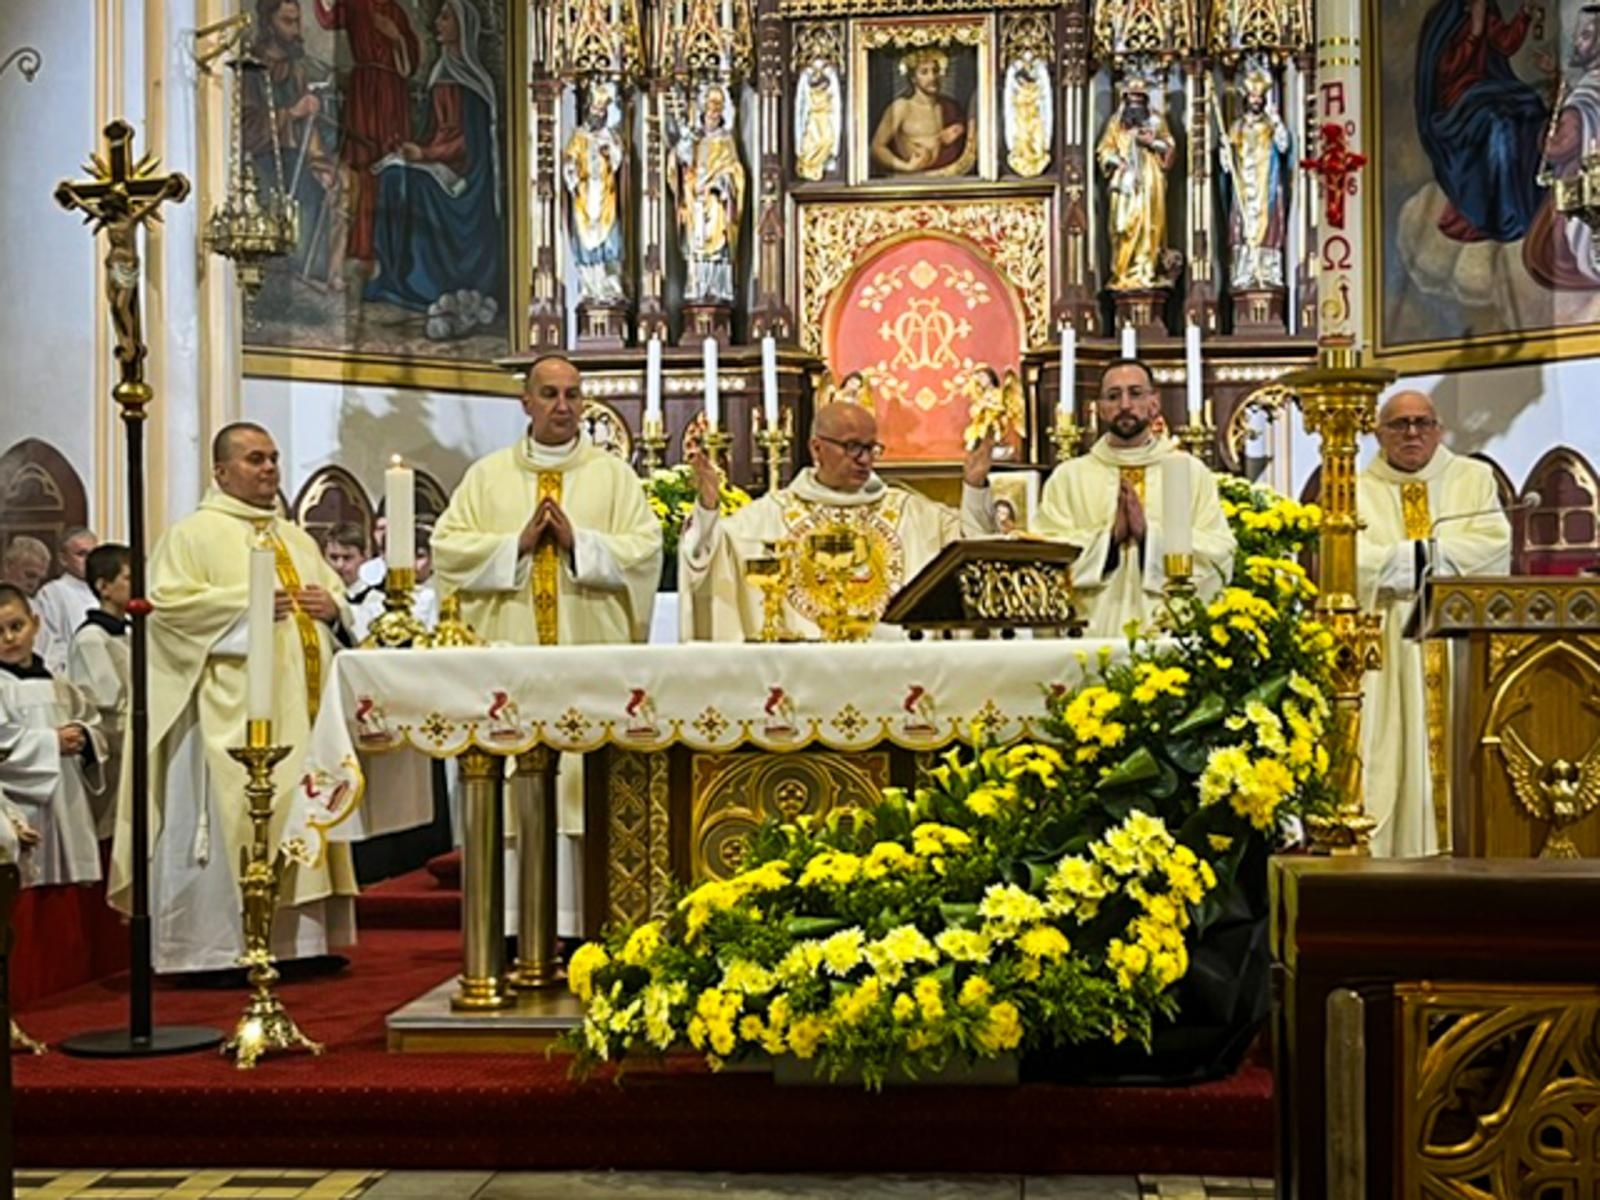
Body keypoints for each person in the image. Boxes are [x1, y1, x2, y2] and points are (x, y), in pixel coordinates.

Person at [111, 422, 357, 974]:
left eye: (273, 458)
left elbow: (335, 597)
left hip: (302, 709)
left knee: (299, 811)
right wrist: (243, 605)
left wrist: (333, 608)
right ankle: (215, 951)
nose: (269, 468)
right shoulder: (193, 534)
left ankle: (297, 946)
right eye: (254, 459)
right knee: (231, 824)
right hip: (226, 715)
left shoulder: (295, 537)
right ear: (220, 471)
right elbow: (168, 612)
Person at [432, 354, 662, 935]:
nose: (565, 407)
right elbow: (448, 551)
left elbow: (645, 552)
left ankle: (586, 925)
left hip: (590, 669)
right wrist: (516, 545)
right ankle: (513, 930)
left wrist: (579, 542)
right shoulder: (486, 477)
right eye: (551, 395)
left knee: (586, 790)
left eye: (574, 395)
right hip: (510, 668)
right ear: (526, 403)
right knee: (515, 792)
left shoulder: (614, 477)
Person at [680, 401, 997, 640]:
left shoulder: (912, 514)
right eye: (852, 447)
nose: (865, 459)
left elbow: (974, 553)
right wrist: (707, 509)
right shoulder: (769, 515)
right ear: (817, 448)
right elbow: (707, 558)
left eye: (871, 448)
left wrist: (975, 486)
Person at [1357, 389, 1512, 857]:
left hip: (1456, 642)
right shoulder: (1356, 488)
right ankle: (1392, 859)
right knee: (1390, 757)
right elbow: (1351, 563)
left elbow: (1493, 547)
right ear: (1378, 434)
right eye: (1399, 425)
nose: (1412, 434)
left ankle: (1465, 853)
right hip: (1388, 644)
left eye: (1422, 423)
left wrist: (1410, 559)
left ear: (1438, 430)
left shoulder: (1472, 478)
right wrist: (1433, 557)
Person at [1033, 359, 1235, 637]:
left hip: (1169, 632)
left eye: (1136, 393)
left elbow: (1221, 553)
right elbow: (1044, 557)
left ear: (1154, 402)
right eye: (1113, 396)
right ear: (1100, 408)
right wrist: (1109, 540)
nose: (1125, 404)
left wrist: (1150, 536)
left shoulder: (1189, 473)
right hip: (1090, 633)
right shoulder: (1069, 477)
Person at [364, 0, 504, 335]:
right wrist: (408, 148)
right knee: (390, 173)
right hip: (437, 162)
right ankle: (394, 274)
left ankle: (424, 279)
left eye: (446, 17)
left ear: (462, 28)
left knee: (410, 180)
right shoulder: (440, 74)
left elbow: (467, 144)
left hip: (462, 176)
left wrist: (424, 154)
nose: (437, 24)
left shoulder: (472, 84)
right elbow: (432, 129)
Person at [1416, 0, 1550, 244]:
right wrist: (1475, 33)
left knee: (1531, 109)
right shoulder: (1444, 19)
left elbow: (1505, 42)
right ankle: (1501, 211)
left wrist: (1525, 15)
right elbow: (1446, 69)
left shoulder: (1486, 11)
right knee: (1497, 123)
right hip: (1458, 100)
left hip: (1488, 90)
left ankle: (1528, 199)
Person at [0, 584, 104, 887]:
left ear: (35, 623)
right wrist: (51, 743)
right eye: (0, 631)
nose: (9, 638)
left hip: (68, 803)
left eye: (16, 626)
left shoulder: (59, 683)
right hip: (21, 806)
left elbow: (92, 723)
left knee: (67, 909)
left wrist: (84, 738)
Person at [245, 0, 347, 287]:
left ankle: (320, 275)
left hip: (297, 159)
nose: (295, 30)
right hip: (263, 163)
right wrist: (291, 112)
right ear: (269, 24)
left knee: (329, 187)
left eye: (297, 21)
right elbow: (247, 129)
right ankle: (288, 280)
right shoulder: (251, 68)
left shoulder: (297, 70)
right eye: (287, 22)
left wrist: (321, 165)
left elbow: (309, 131)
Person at [313, 0, 419, 264]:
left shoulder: (396, 11)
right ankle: (359, 244)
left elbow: (410, 63)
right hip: (365, 91)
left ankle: (387, 247)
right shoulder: (354, 5)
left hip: (391, 93)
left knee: (388, 161)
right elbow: (329, 19)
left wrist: (396, 38)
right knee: (361, 161)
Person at [67, 543, 130, 839]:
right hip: (116, 751)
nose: (138, 586)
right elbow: (106, 702)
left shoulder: (127, 632)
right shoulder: (92, 639)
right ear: (103, 586)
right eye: (129, 579)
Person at [1096, 75, 1177, 291]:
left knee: (1150, 224)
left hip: (1150, 180)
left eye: (1139, 98)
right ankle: (1122, 272)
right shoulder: (1116, 123)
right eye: (1131, 98)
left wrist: (1152, 143)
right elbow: (1104, 149)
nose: (1135, 102)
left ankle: (1145, 269)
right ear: (1124, 99)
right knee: (1121, 226)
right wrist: (1116, 160)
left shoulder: (1157, 121)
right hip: (1125, 182)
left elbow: (1170, 147)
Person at [672, 85, 746, 305]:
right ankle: (697, 287)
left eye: (717, 112)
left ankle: (718, 289)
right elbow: (678, 165)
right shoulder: (694, 139)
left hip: (715, 202)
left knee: (718, 247)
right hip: (695, 202)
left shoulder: (726, 141)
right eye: (709, 111)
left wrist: (720, 183)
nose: (712, 116)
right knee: (696, 248)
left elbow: (736, 172)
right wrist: (684, 144)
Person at [1222, 67, 1291, 291]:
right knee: (1241, 229)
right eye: (1252, 97)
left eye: (1259, 97)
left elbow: (1284, 146)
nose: (1255, 101)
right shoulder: (1237, 127)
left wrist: (1277, 122)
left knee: (1268, 229)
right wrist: (1225, 151)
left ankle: (1267, 272)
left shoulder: (1270, 125)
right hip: (1243, 187)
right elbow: (1226, 163)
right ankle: (1244, 273)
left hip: (1265, 186)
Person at [563, 82, 626, 305]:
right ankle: (590, 286)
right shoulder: (578, 137)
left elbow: (619, 161)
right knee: (585, 240)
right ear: (588, 109)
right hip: (585, 194)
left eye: (602, 111)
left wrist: (610, 152)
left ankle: (609, 284)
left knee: (610, 240)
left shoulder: (610, 136)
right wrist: (571, 168)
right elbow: (569, 162)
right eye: (595, 110)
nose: (597, 114)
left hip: (606, 195)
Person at [871, 48, 975, 177]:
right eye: (924, 72)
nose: (932, 77)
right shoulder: (902, 107)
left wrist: (949, 136)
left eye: (935, 71)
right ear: (913, 78)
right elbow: (877, 148)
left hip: (946, 180)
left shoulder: (949, 107)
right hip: (908, 181)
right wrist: (906, 167)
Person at [351, 522, 439, 643]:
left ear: (432, 559)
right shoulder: (373, 598)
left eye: (419, 556)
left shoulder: (438, 597)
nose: (410, 564)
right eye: (404, 557)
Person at [34, 526, 98, 675]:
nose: (89, 561)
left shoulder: (107, 589)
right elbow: (49, 644)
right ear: (63, 559)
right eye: (82, 554)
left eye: (93, 554)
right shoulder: (51, 594)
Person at [321, 522, 368, 591]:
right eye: (334, 557)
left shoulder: (375, 597)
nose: (339, 565)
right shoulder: (316, 591)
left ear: (363, 558)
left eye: (347, 558)